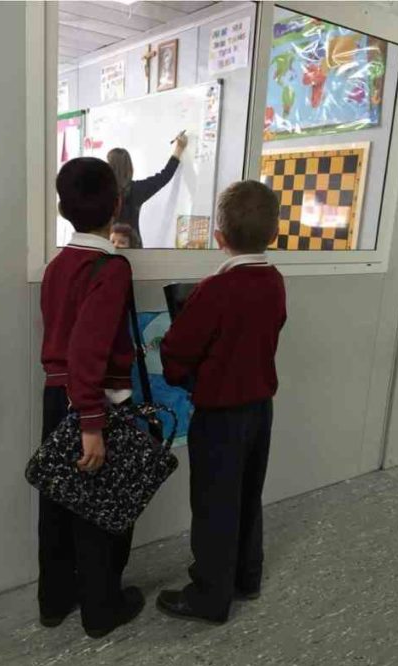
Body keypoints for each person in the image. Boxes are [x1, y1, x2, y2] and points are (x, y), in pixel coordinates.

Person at [156, 180, 287, 624]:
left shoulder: (214, 289)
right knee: (249, 494)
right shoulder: (274, 281)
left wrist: (182, 375)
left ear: (219, 236)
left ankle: (210, 596)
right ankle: (247, 576)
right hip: (260, 411)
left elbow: (177, 349)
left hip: (219, 416)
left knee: (214, 504)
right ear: (272, 233)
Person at [38, 157, 145, 638]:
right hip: (93, 402)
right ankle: (102, 609)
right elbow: (89, 349)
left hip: (56, 395)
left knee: (59, 502)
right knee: (102, 509)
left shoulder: (59, 264)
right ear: (118, 204)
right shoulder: (111, 267)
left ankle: (55, 600)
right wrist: (91, 422)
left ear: (63, 209)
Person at [107, 132, 188, 248]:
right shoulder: (137, 190)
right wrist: (179, 149)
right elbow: (164, 176)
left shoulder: (102, 192)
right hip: (133, 247)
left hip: (108, 246)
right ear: (129, 168)